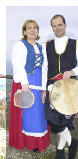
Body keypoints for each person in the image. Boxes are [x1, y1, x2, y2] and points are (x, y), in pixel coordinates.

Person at [42, 15, 78, 159]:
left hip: (69, 89)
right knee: (50, 116)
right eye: (54, 25)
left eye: (60, 24)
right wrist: (44, 90)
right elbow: (44, 69)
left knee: (64, 119)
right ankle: (72, 142)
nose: (57, 27)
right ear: (52, 28)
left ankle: (60, 154)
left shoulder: (76, 43)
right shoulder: (46, 45)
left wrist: (72, 72)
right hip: (51, 87)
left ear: (65, 25)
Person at [9, 19, 50, 152]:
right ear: (25, 31)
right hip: (25, 84)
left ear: (38, 30)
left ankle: (37, 143)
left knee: (39, 115)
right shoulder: (20, 45)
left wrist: (44, 89)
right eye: (29, 28)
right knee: (27, 115)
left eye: (35, 28)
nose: (32, 30)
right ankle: (29, 143)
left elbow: (44, 69)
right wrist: (24, 84)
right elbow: (18, 64)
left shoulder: (41, 48)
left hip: (38, 85)